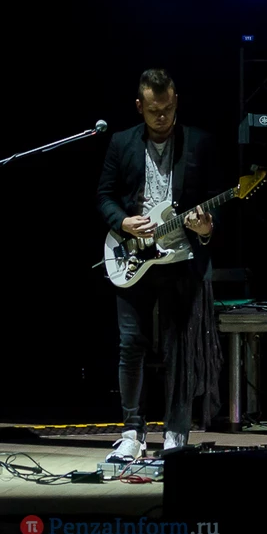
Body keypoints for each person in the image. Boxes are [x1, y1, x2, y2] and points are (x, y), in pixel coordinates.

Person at [97, 69, 221, 460]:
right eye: (153, 111)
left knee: (178, 348)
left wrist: (205, 229)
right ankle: (132, 431)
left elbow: (214, 201)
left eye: (167, 108)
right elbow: (104, 196)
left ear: (176, 101)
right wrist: (123, 222)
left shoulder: (199, 142)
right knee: (131, 344)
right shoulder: (121, 143)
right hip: (132, 255)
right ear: (140, 107)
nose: (162, 117)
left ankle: (175, 432)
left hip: (179, 258)